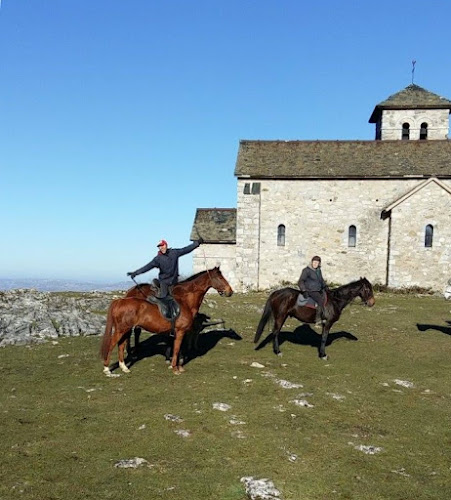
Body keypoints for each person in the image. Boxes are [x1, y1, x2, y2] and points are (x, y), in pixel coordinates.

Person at [127, 238, 204, 298]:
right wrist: (135, 273)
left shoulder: (174, 253)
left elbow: (186, 249)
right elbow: (147, 267)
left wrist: (197, 243)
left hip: (175, 282)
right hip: (164, 283)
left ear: (166, 245)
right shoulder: (157, 259)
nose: (161, 248)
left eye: (162, 245)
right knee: (164, 299)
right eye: (159, 246)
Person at [298, 255, 327, 324]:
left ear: (319, 264)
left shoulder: (318, 270)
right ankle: (318, 318)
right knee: (320, 300)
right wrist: (304, 290)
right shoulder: (306, 270)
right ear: (311, 262)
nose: (315, 264)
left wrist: (325, 286)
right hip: (310, 290)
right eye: (314, 262)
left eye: (317, 263)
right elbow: (301, 281)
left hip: (318, 289)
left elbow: (321, 280)